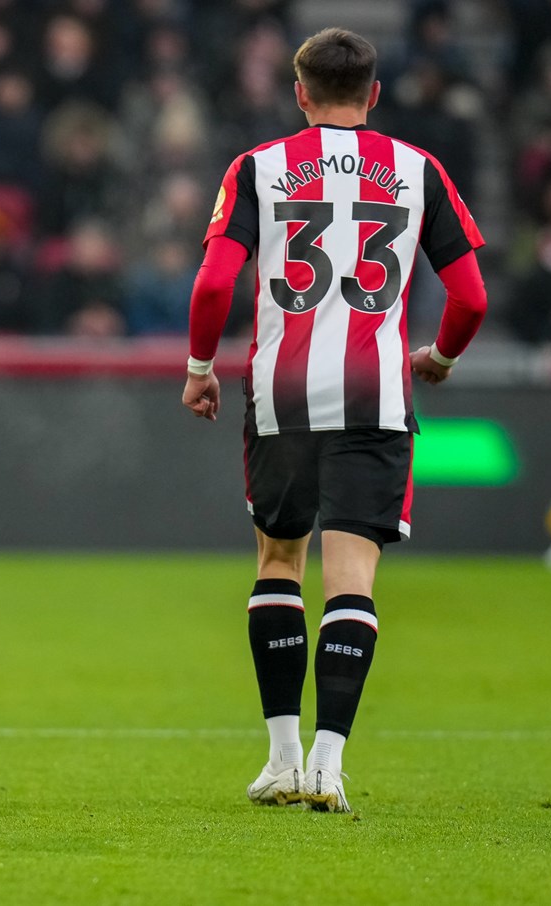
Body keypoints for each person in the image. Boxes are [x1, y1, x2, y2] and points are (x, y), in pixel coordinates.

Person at [181, 28, 487, 812]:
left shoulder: (257, 167)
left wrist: (198, 368)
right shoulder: (417, 170)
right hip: (375, 398)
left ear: (300, 94)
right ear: (374, 95)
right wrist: (442, 359)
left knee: (279, 563)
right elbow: (471, 297)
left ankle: (280, 758)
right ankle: (328, 763)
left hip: (282, 397)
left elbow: (215, 283)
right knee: (351, 580)